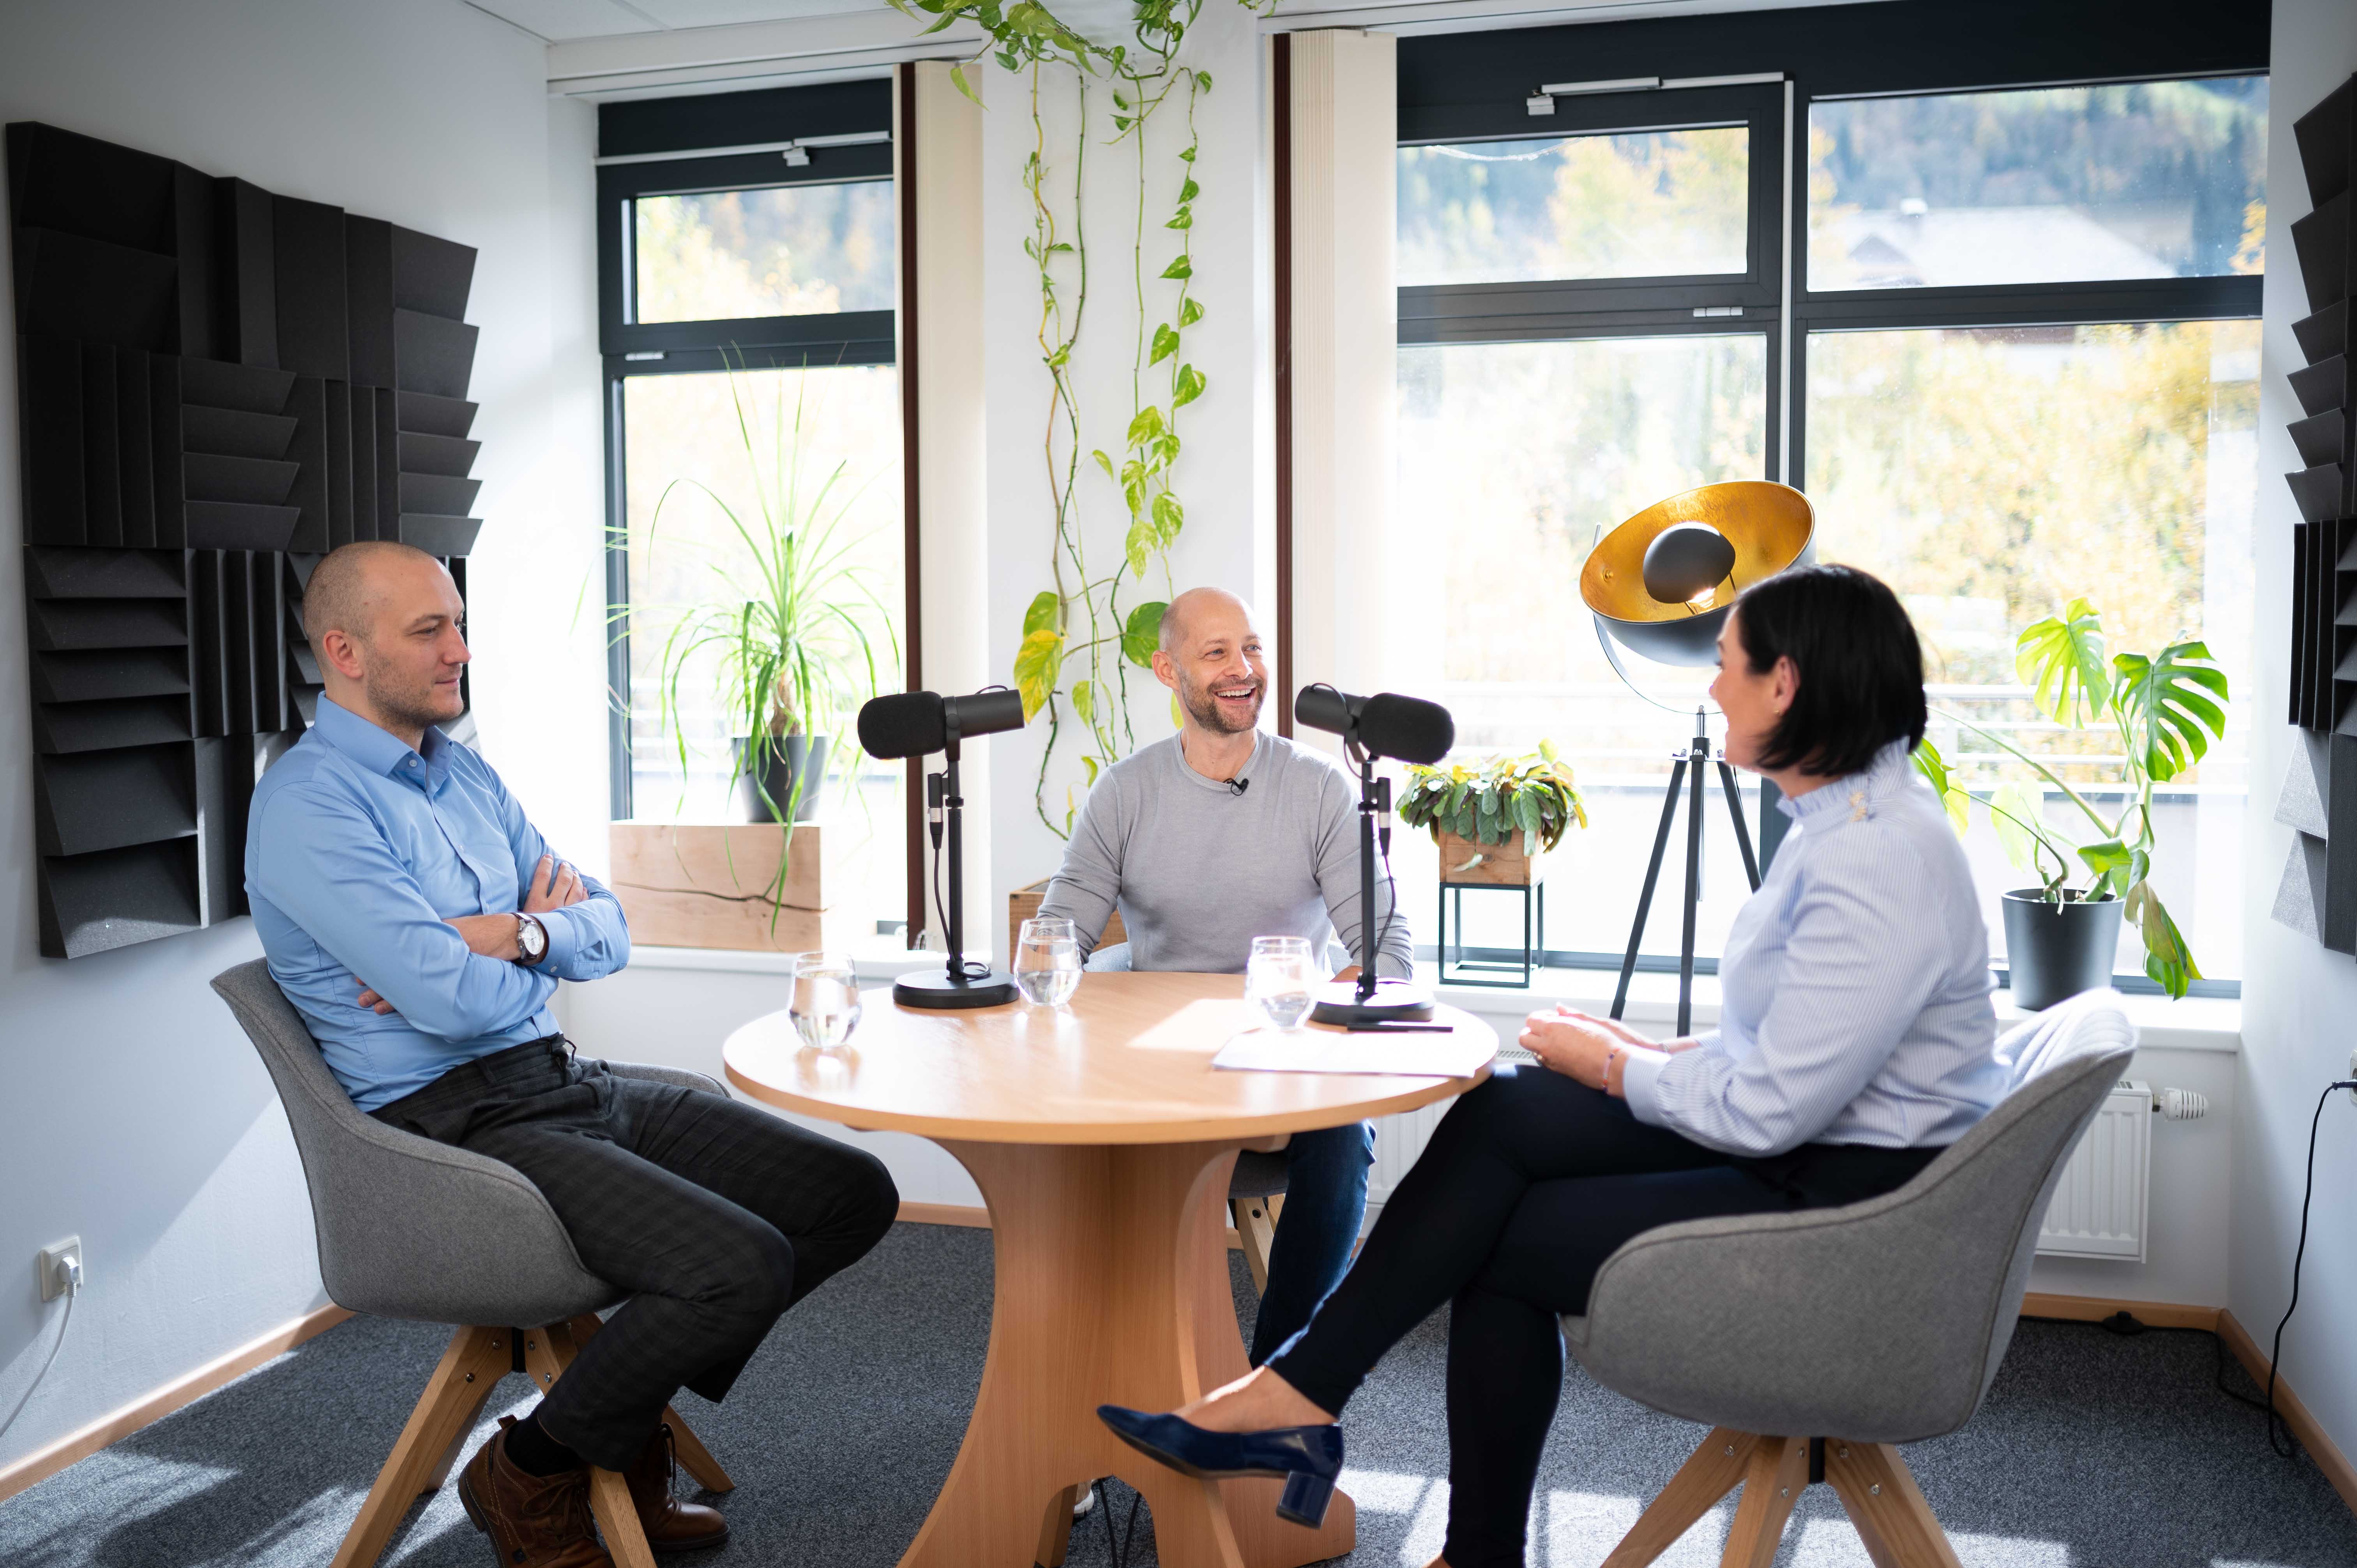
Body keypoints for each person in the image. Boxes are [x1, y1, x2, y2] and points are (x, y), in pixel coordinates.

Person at [1097, 564, 2009, 1566]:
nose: (1713, 690)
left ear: (1785, 684)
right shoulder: (1841, 822)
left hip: (1845, 1203)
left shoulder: (1877, 857)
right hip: (1811, 1144)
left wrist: (1618, 1071)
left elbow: (1770, 1108)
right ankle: (1309, 1404)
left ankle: (1324, 1422)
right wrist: (1638, 1051)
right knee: (1506, 1108)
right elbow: (1798, 1043)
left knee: (1498, 1237)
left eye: (1727, 666)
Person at [246, 541, 898, 1568]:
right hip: (455, 1124)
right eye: (430, 630)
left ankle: (614, 1413)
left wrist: (509, 933)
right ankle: (532, 1471)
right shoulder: (309, 805)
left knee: (850, 1194)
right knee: (738, 1266)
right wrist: (522, 950)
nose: (460, 650)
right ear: (346, 651)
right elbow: (447, 1003)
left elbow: (610, 925)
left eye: (460, 625)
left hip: (559, 1078)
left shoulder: (465, 774)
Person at [1036, 586, 1413, 1365]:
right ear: (1167, 670)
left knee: (1345, 1137)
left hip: (1280, 1062)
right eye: (1217, 653)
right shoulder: (1125, 792)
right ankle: (1081, 1370)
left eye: (1252, 648)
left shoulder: (1318, 787)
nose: (1244, 669)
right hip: (1152, 1072)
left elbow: (1385, 951)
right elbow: (1057, 938)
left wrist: (1306, 1021)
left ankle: (1279, 1379)